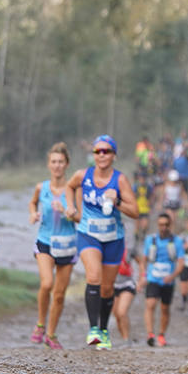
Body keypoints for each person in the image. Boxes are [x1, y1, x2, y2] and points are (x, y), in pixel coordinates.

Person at [65, 134, 138, 350]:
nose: (102, 155)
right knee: (93, 276)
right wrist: (71, 207)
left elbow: (135, 211)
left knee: (107, 289)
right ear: (93, 155)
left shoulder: (120, 180)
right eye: (98, 151)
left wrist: (117, 201)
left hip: (114, 239)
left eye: (106, 151)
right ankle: (93, 329)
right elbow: (69, 187)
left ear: (114, 155)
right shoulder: (82, 175)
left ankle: (104, 330)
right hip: (88, 234)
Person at [28, 142, 77, 350]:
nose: (57, 166)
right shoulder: (42, 187)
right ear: (49, 165)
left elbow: (79, 216)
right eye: (54, 162)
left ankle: (51, 334)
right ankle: (40, 324)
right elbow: (33, 202)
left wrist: (68, 211)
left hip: (67, 244)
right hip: (45, 241)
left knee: (59, 293)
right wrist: (33, 213)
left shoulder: (73, 189)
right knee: (47, 283)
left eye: (61, 162)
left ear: (67, 165)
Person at [137, 212, 184, 347]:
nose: (163, 227)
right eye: (161, 225)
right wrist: (143, 276)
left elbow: (181, 263)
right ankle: (150, 334)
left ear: (170, 225)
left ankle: (161, 334)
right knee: (150, 304)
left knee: (165, 308)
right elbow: (143, 260)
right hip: (153, 278)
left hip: (168, 280)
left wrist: (172, 276)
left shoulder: (177, 241)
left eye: (166, 225)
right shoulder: (150, 240)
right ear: (157, 225)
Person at [111, 246, 139, 346]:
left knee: (122, 312)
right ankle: (124, 338)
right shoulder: (106, 247)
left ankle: (127, 340)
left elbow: (141, 262)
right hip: (112, 285)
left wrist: (141, 278)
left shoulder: (129, 248)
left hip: (128, 283)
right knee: (117, 315)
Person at [132, 170, 154, 243]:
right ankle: (136, 236)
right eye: (141, 178)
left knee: (145, 224)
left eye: (143, 178)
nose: (142, 180)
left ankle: (143, 235)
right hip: (138, 207)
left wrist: (150, 205)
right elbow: (132, 196)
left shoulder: (149, 187)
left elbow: (151, 196)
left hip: (145, 208)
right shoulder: (135, 186)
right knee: (137, 224)